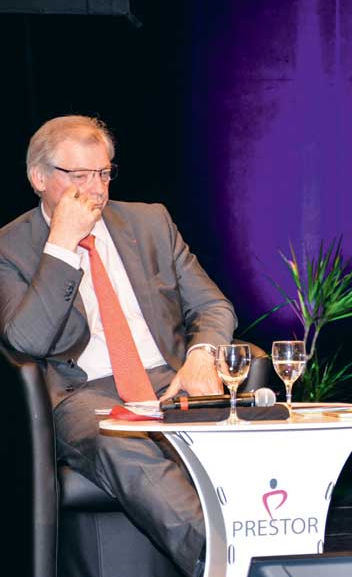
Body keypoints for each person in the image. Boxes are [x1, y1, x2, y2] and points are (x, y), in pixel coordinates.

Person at [0, 115, 237, 576]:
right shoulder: (10, 247)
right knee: (121, 448)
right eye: (80, 175)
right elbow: (26, 340)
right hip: (83, 396)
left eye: (104, 173)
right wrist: (62, 245)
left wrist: (202, 355)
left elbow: (213, 306)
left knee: (248, 433)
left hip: (170, 383)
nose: (96, 188)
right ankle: (227, 560)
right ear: (39, 178)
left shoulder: (150, 222)